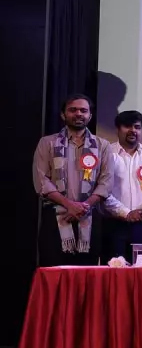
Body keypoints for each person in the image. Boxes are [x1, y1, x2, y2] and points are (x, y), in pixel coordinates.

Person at [32, 94, 115, 266]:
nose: (78, 114)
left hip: (90, 217)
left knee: (87, 273)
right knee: (54, 272)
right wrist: (69, 205)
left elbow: (106, 182)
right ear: (63, 115)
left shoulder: (102, 145)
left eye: (83, 111)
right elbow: (42, 180)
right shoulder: (47, 143)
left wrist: (83, 207)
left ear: (89, 116)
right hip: (56, 217)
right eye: (73, 110)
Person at [102, 111, 142, 264]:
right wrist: (126, 213)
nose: (133, 130)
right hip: (113, 224)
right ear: (118, 129)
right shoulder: (106, 153)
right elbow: (102, 189)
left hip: (141, 224)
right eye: (127, 126)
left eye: (137, 127)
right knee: (113, 272)